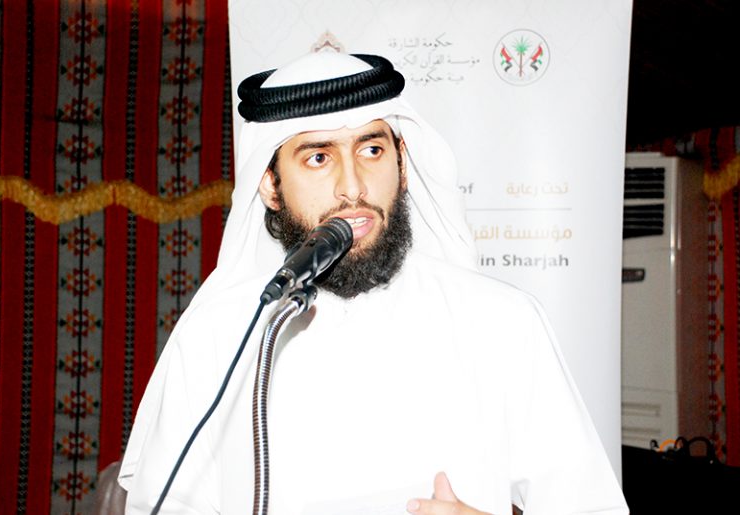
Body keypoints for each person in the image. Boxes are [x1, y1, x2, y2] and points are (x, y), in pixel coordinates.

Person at [118, 51, 628, 515]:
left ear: (402, 163)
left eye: (371, 150)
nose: (353, 186)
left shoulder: (501, 321)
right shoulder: (218, 335)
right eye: (319, 157)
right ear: (270, 185)